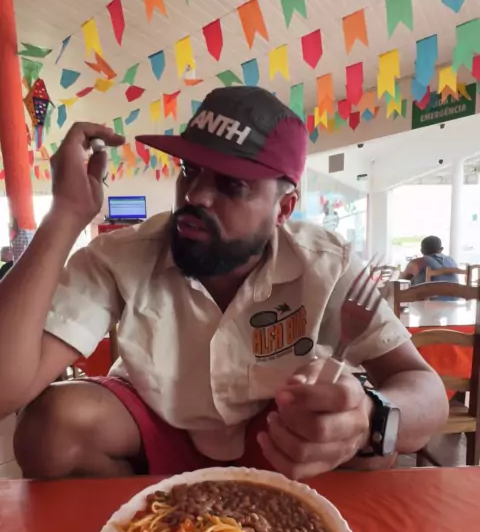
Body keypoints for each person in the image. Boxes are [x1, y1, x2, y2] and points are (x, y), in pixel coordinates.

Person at [0, 87, 447, 481]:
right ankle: (151, 526)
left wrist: (370, 417)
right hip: (156, 424)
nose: (195, 195)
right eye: (189, 170)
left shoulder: (329, 264)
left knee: (369, 451)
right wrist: (65, 215)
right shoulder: (121, 256)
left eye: (232, 185)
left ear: (283, 208)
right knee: (50, 429)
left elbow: (422, 388)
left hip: (275, 439)